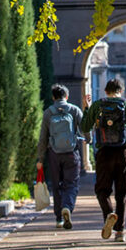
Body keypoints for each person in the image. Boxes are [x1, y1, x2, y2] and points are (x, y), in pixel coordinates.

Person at [82, 77, 126, 243]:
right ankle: (120, 231)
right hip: (123, 152)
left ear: (106, 91)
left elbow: (84, 127)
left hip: (104, 152)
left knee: (102, 190)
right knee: (122, 192)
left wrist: (86, 108)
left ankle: (108, 215)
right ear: (121, 90)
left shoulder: (98, 104)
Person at [37, 83, 85, 230]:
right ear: (67, 96)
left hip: (54, 154)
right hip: (71, 153)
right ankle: (67, 207)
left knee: (57, 185)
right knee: (71, 184)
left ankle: (58, 218)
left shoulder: (48, 113)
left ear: (53, 97)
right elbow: (85, 128)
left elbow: (43, 138)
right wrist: (88, 140)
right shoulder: (74, 110)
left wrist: (40, 158)